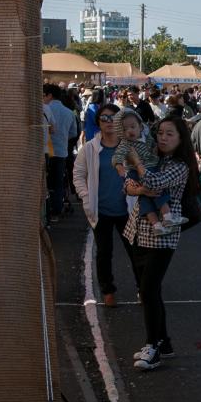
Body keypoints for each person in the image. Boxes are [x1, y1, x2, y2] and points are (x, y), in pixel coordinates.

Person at [125, 117, 200, 371]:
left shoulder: (179, 165)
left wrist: (138, 169)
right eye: (161, 133)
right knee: (149, 291)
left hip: (163, 235)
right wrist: (137, 189)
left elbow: (154, 183)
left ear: (180, 139)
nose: (163, 138)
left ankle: (153, 345)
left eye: (170, 134)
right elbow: (129, 183)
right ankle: (164, 342)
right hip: (137, 230)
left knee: (147, 290)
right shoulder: (152, 155)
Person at [73, 103, 129, 307]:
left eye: (113, 118)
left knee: (136, 250)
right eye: (104, 118)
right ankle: (108, 291)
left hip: (127, 210)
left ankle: (143, 287)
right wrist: (86, 197)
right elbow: (78, 175)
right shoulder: (89, 148)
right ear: (98, 122)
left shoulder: (129, 147)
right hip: (101, 209)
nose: (109, 122)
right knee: (104, 252)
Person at [42, 83, 77, 223]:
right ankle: (56, 211)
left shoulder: (43, 109)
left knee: (45, 183)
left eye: (44, 95)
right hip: (61, 152)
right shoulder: (69, 112)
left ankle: (45, 213)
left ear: (49, 95)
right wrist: (62, 138)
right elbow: (73, 133)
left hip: (45, 152)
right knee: (58, 184)